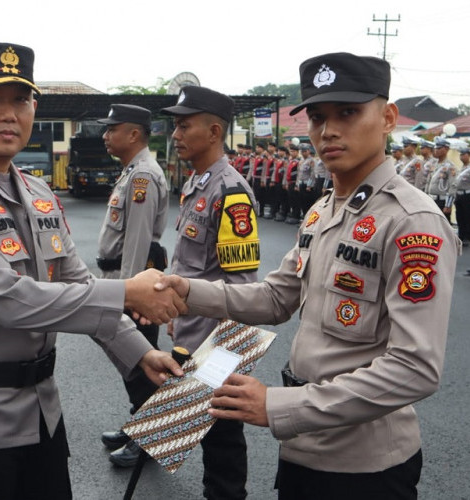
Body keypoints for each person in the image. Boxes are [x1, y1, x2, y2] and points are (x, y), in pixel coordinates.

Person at [154, 52, 460, 500]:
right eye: (317, 117)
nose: (328, 130)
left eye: (348, 112)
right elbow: (276, 298)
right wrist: (185, 291)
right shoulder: (323, 210)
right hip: (304, 449)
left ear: (388, 118)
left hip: (363, 466)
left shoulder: (412, 221)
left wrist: (280, 405)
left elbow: (415, 369)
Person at [0, 42, 184, 500]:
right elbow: (9, 300)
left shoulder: (38, 192)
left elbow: (77, 285)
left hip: (41, 412)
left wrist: (140, 354)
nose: (9, 114)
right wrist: (127, 293)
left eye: (21, 99)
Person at [160, 85, 259, 500]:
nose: (175, 135)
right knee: (197, 428)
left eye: (185, 126)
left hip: (214, 341)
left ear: (215, 131)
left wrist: (223, 356)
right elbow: (187, 262)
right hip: (191, 330)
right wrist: (175, 316)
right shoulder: (198, 183)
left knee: (221, 434)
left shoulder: (230, 192)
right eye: (176, 126)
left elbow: (241, 287)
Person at [95, 104, 170, 466]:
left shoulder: (143, 176)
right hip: (121, 279)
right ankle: (140, 425)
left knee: (141, 359)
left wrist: (130, 293)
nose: (105, 135)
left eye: (112, 129)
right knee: (132, 358)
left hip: (134, 283)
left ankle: (149, 437)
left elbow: (138, 241)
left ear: (134, 134)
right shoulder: (132, 172)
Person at [426, 137, 457, 222]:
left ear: (446, 149)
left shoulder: (450, 166)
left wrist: (448, 205)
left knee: (443, 225)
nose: (436, 150)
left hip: (442, 201)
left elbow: (453, 186)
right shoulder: (433, 164)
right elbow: (428, 182)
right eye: (436, 148)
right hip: (431, 200)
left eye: (439, 148)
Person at [450, 145, 470, 248]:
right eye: (460, 155)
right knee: (459, 216)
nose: (461, 156)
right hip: (459, 195)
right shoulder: (461, 168)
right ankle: (461, 236)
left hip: (467, 195)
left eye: (463, 154)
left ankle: (467, 237)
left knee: (467, 216)